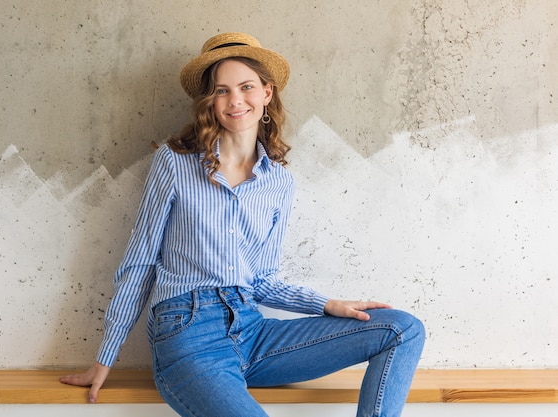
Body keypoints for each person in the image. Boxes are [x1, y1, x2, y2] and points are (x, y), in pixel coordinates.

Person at [60, 32, 425, 417]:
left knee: (403, 328)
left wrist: (327, 305)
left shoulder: (278, 183)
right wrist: (106, 356)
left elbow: (261, 279)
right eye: (222, 90)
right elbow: (140, 263)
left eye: (246, 86)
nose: (235, 100)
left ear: (266, 93)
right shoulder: (175, 163)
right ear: (210, 102)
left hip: (253, 332)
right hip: (188, 336)